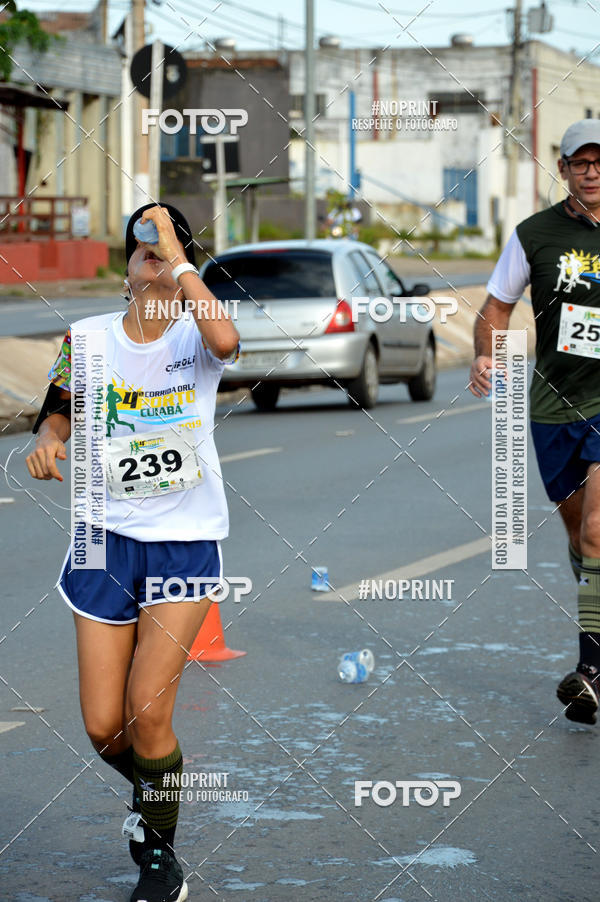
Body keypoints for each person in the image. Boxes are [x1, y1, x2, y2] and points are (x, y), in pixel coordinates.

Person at [26, 203, 240, 901]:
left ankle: (158, 859)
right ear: (123, 270)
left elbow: (230, 340)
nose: (153, 257)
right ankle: (155, 793)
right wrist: (50, 437)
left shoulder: (195, 337)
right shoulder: (85, 337)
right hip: (102, 539)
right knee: (102, 726)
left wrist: (180, 258)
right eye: (141, 250)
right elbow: (58, 406)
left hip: (182, 543)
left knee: (150, 714)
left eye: (167, 251)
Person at [469, 119, 600, 725]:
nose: (592, 172)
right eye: (582, 162)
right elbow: (496, 306)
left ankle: (590, 670)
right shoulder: (534, 235)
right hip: (553, 407)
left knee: (598, 531)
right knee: (581, 541)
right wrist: (484, 351)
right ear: (564, 167)